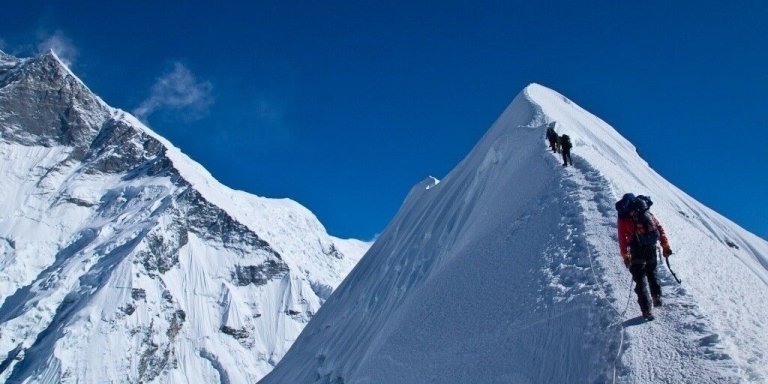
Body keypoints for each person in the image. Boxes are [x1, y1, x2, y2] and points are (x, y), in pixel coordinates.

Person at [616, 194, 673, 320]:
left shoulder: (623, 216)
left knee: (640, 277)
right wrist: (665, 245)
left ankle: (646, 310)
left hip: (636, 250)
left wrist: (625, 255)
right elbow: (659, 227)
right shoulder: (644, 209)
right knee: (652, 271)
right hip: (651, 247)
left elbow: (622, 238)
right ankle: (657, 297)